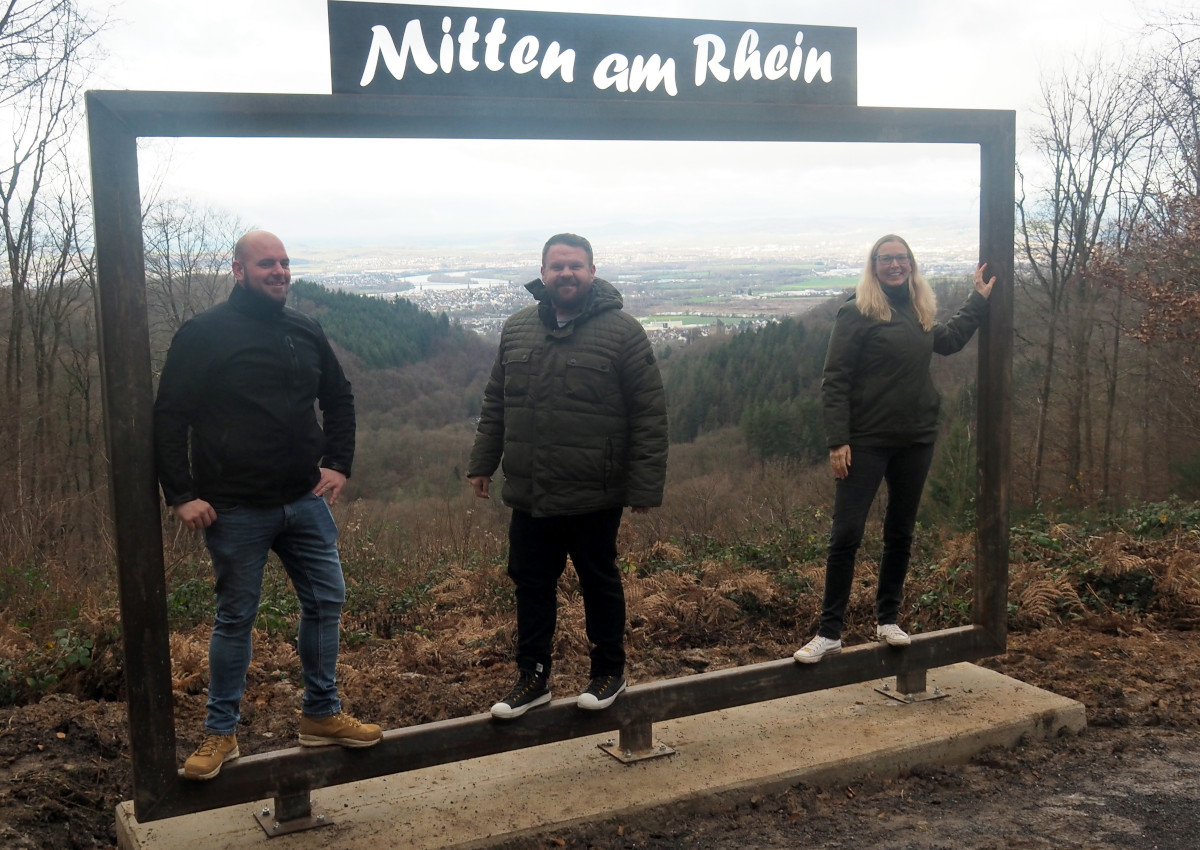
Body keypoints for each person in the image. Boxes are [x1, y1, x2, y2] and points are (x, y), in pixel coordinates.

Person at [154, 230, 382, 780]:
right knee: (236, 619)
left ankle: (321, 714)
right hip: (234, 507)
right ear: (238, 270)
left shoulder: (304, 328)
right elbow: (169, 416)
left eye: (284, 263)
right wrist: (182, 494)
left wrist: (338, 462)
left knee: (327, 602)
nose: (279, 271)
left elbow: (339, 395)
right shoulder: (204, 333)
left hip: (303, 499)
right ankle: (220, 733)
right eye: (266, 264)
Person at [468, 233, 668, 719]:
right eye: (557, 266)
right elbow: (497, 402)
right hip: (531, 489)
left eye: (575, 266)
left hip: (593, 490)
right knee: (531, 584)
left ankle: (608, 672)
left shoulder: (622, 332)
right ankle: (532, 677)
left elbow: (648, 413)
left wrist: (643, 486)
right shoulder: (516, 329)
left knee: (599, 581)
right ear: (543, 274)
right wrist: (482, 463)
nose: (566, 274)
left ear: (592, 272)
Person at [794, 234, 995, 664]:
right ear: (874, 265)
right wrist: (837, 440)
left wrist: (977, 299)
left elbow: (950, 338)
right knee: (846, 535)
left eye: (902, 259)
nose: (895, 265)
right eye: (887, 259)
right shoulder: (857, 312)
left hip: (916, 437)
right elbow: (835, 381)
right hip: (865, 440)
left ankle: (887, 619)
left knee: (900, 532)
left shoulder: (918, 310)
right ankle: (829, 632)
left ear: (911, 264)